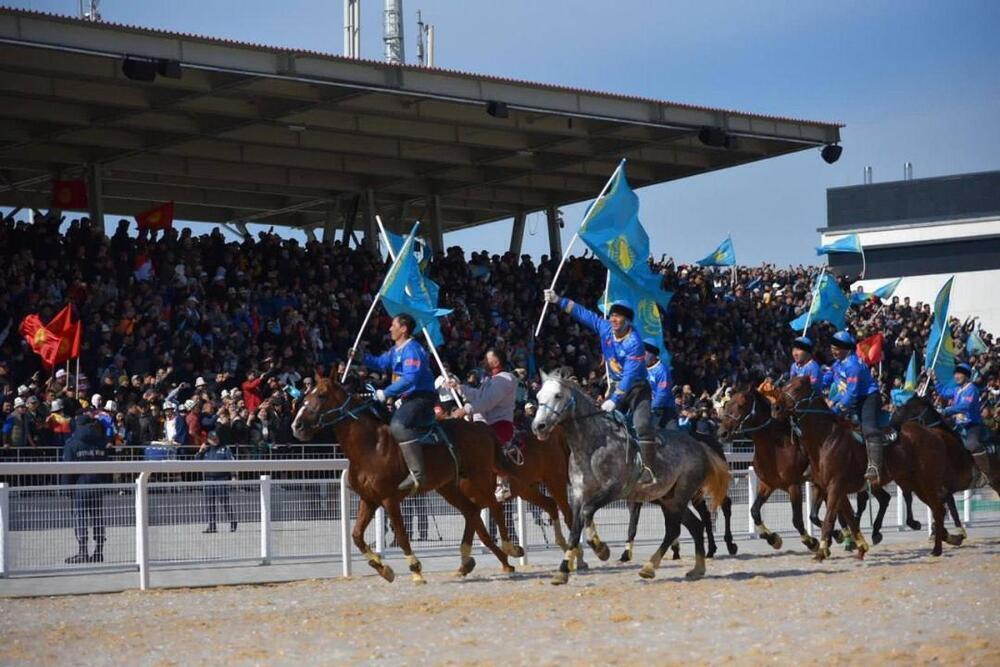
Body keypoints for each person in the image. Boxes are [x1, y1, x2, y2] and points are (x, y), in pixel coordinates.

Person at [543, 290, 656, 484]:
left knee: (642, 425)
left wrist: (614, 399)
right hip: (615, 387)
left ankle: (648, 469)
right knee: (599, 423)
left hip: (637, 389)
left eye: (618, 316)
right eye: (612, 315)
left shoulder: (635, 343)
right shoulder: (605, 328)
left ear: (627, 321)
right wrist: (558, 300)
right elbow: (584, 314)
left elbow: (629, 376)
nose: (613, 319)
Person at [351, 313, 437, 495]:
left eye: (393, 325)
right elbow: (380, 363)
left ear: (404, 329)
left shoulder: (412, 349)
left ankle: (418, 474)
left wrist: (386, 392)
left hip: (421, 396)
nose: (390, 328)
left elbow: (410, 379)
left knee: (398, 425)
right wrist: (360, 356)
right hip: (406, 398)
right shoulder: (396, 350)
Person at [449, 348, 518, 501]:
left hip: (500, 424)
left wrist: (465, 410)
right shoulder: (490, 380)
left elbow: (488, 402)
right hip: (485, 425)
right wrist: (459, 388)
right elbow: (478, 395)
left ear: (496, 362)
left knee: (487, 447)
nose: (483, 362)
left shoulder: (505, 379)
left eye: (487, 359)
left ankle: (503, 481)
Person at [823, 331, 883, 483]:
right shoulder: (837, 364)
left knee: (869, 428)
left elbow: (852, 393)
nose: (833, 350)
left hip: (868, 398)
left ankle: (874, 467)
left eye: (836, 348)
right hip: (852, 397)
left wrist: (836, 408)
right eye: (832, 347)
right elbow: (831, 384)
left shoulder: (853, 365)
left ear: (846, 349)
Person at [62, 415, 109, 563]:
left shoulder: (72, 443)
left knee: (80, 517)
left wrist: (66, 489)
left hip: (80, 485)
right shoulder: (101, 442)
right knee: (97, 517)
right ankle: (99, 551)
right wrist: (106, 485)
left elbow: (68, 469)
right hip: (97, 485)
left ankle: (82, 552)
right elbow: (108, 465)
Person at [935, 364, 991, 479]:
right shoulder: (957, 390)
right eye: (955, 373)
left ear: (966, 376)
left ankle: (985, 473)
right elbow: (944, 392)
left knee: (972, 444)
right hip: (958, 424)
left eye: (959, 373)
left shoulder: (972, 389)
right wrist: (934, 379)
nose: (956, 376)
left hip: (972, 425)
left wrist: (947, 410)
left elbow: (965, 406)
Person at [196, 430, 238, 533]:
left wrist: (234, 476)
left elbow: (232, 462)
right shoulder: (206, 449)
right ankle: (212, 526)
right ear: (208, 439)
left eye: (216, 439)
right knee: (210, 503)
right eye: (213, 439)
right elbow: (196, 461)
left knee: (224, 502)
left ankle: (233, 522)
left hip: (221, 478)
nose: (215, 441)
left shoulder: (224, 449)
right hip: (208, 479)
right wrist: (200, 451)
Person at [645, 343, 676, 428]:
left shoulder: (662, 370)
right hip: (647, 406)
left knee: (672, 435)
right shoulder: (641, 367)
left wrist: (651, 408)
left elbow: (662, 394)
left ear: (653, 356)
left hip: (664, 409)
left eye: (645, 353)